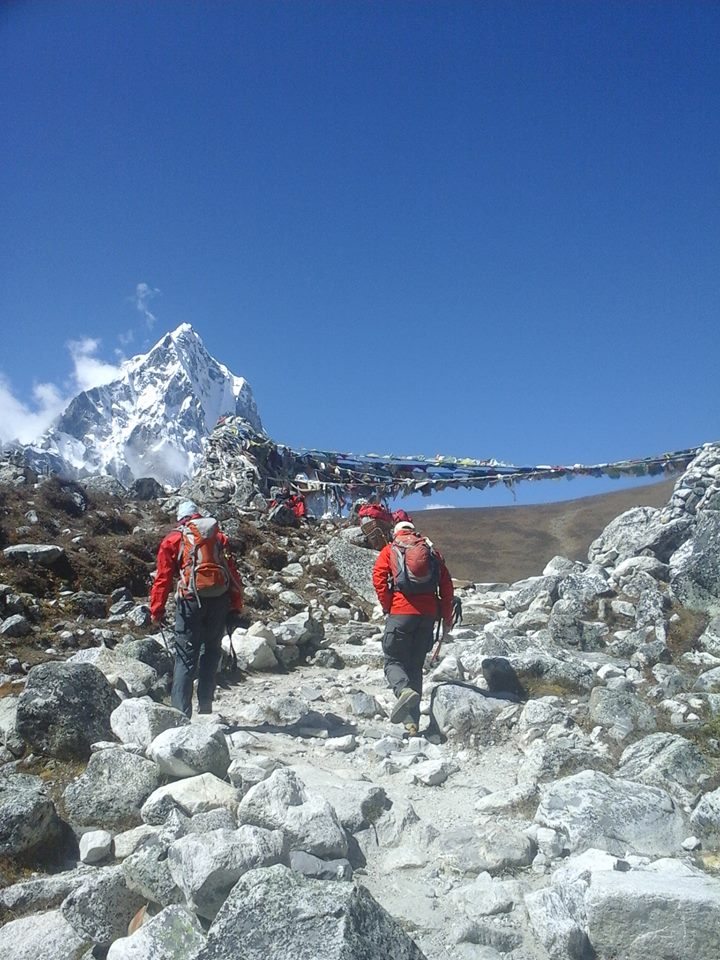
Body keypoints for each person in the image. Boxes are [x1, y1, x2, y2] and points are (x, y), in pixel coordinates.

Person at [150, 500, 244, 717]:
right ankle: (206, 708)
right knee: (211, 651)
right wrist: (237, 605)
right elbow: (231, 573)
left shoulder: (173, 539)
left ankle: (180, 714)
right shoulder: (217, 537)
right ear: (198, 516)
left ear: (180, 518)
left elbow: (163, 578)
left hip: (190, 601)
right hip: (219, 600)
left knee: (185, 657)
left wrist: (157, 610)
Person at [372, 520, 454, 736]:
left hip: (401, 613)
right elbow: (446, 586)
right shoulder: (432, 552)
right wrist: (446, 619)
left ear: (397, 533)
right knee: (415, 666)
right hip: (428, 617)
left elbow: (379, 580)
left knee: (393, 661)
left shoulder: (390, 550)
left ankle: (402, 690)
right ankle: (412, 725)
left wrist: (388, 605)